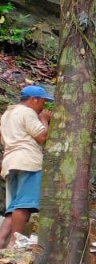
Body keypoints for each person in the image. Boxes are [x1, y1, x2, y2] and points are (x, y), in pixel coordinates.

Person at [0, 85, 53, 248]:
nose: (43, 106)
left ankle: (2, 241)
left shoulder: (7, 114)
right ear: (33, 99)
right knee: (24, 204)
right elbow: (41, 136)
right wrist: (44, 119)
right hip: (27, 160)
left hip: (10, 161)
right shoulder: (27, 112)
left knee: (13, 206)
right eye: (43, 102)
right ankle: (15, 242)